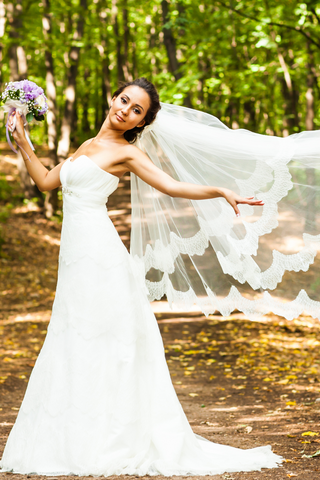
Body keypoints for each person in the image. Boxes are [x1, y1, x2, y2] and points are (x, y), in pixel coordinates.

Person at [0, 77, 285, 475]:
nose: (125, 110)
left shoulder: (126, 153)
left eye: (136, 111)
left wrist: (221, 190)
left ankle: (110, 439)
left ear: (140, 123)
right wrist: (22, 138)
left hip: (100, 255)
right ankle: (72, 436)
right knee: (73, 333)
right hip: (75, 256)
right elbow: (47, 181)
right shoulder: (87, 146)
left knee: (105, 339)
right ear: (113, 98)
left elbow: (171, 185)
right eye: (124, 100)